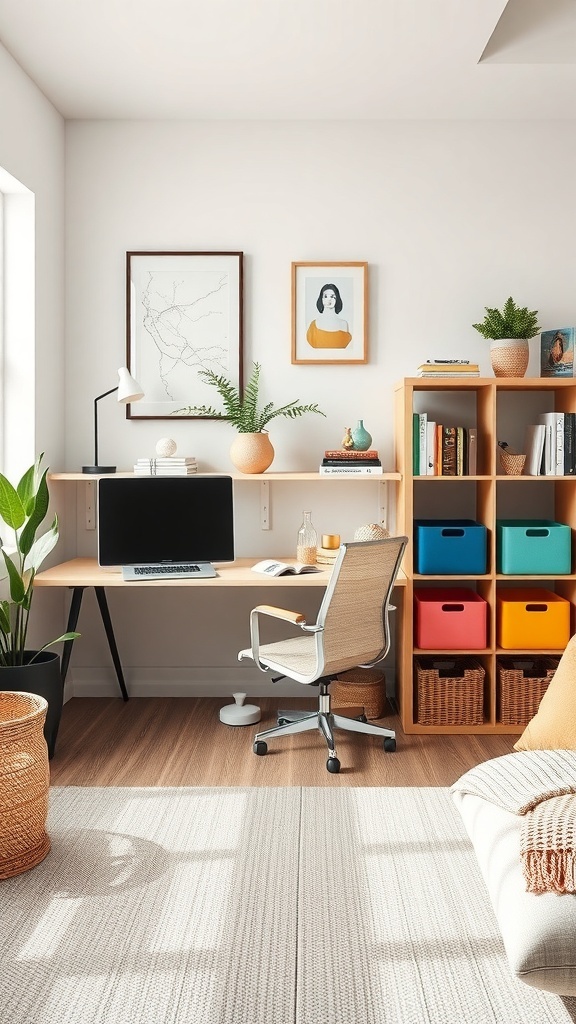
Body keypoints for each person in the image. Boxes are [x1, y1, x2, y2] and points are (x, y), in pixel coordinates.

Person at [306, 283, 352, 349]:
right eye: (325, 296)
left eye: (333, 297)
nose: (329, 299)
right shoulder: (314, 325)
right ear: (321, 299)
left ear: (337, 299)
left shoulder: (343, 324)